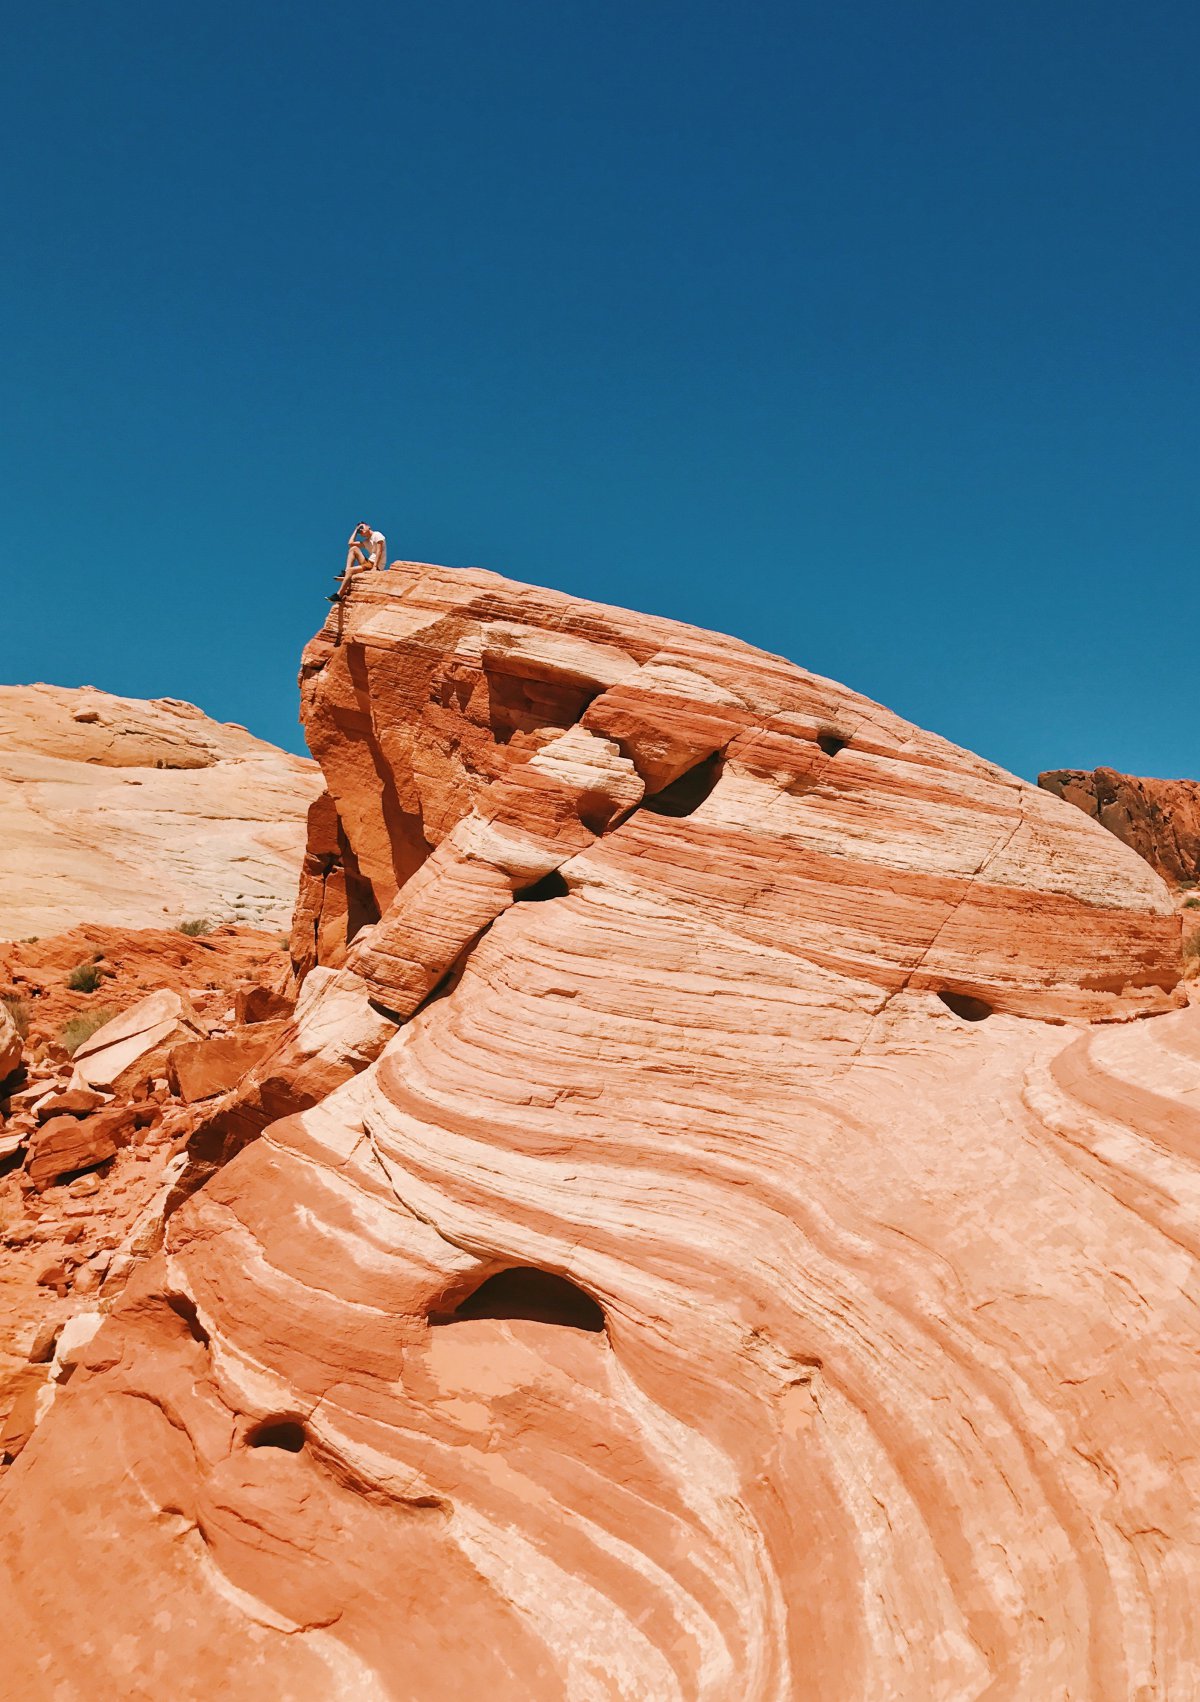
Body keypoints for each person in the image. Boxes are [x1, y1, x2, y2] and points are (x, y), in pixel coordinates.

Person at [329, 523, 387, 601]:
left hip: (374, 564)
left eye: (362, 527)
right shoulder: (367, 541)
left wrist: (375, 567)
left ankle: (339, 595)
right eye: (359, 531)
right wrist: (356, 531)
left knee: (351, 570)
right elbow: (350, 543)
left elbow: (380, 551)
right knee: (353, 548)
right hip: (369, 562)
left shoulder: (377, 534)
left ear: (368, 526)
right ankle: (346, 573)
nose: (361, 530)